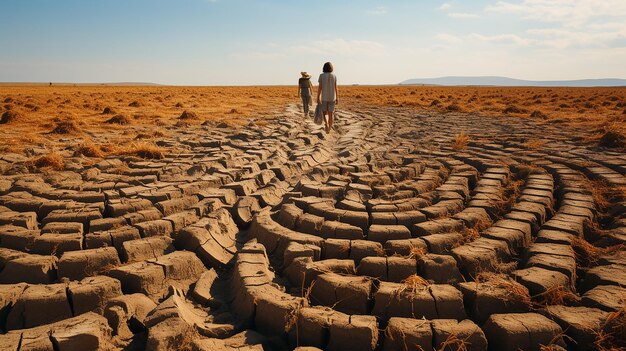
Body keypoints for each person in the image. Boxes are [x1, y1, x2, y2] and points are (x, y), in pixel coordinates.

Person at [317, 62, 337, 133]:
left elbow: (320, 87)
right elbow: (335, 87)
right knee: (330, 113)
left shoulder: (321, 76)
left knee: (324, 112)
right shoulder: (334, 76)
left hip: (324, 97)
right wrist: (337, 97)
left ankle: (326, 124)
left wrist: (318, 97)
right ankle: (330, 127)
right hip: (332, 97)